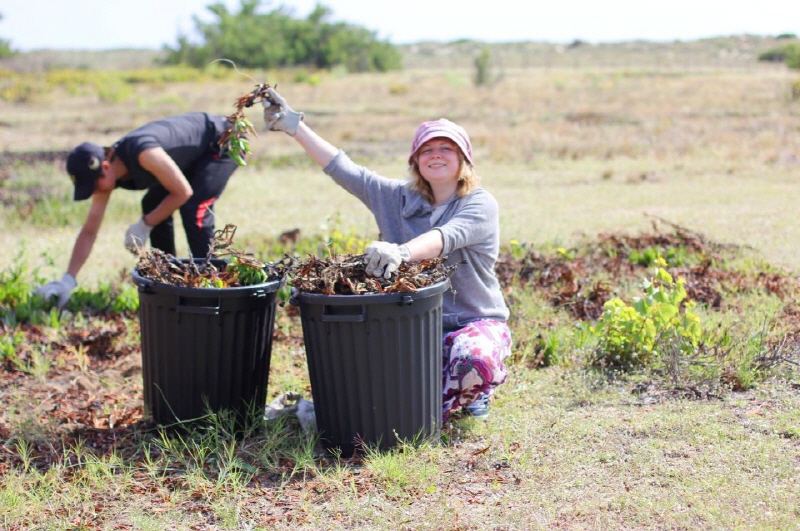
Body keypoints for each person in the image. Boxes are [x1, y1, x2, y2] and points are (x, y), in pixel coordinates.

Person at [262, 88, 512, 421]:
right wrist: (295, 127)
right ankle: (399, 406)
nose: (435, 155)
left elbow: (444, 238)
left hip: (473, 321)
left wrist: (400, 251)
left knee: (475, 359)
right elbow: (344, 169)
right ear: (415, 161)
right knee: (364, 367)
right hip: (412, 325)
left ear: (464, 160)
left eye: (446, 149)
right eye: (427, 150)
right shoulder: (396, 198)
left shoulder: (479, 204)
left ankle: (453, 401)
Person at [36, 112, 240, 308]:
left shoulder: (143, 152)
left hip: (223, 141)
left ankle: (215, 291)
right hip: (195, 156)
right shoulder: (106, 177)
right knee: (152, 204)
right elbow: (90, 230)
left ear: (105, 166)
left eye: (94, 186)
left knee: (194, 208)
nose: (94, 192)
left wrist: (146, 224)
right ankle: (170, 283)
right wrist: (68, 279)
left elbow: (182, 192)